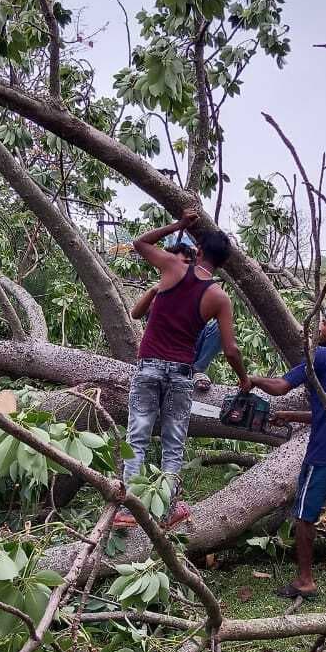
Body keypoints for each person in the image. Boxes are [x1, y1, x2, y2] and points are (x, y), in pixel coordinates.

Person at [115, 210, 250, 529]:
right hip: (180, 374)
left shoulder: (174, 266)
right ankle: (170, 507)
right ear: (223, 262)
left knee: (138, 437)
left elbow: (140, 242)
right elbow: (231, 348)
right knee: (174, 443)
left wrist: (179, 225)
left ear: (199, 251)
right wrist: (244, 379)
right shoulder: (219, 297)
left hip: (148, 368)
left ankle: (128, 511)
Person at [245, 302, 326, 599]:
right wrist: (289, 417)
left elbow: (281, 386)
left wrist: (253, 380)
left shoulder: (321, 357)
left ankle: (305, 581)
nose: (320, 328)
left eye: (323, 324)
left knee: (304, 516)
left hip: (323, 451)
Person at [129, 240, 224, 389]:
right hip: (162, 355)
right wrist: (154, 291)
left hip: (189, 350)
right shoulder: (161, 290)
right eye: (179, 263)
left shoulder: (201, 290)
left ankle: (197, 370)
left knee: (219, 328)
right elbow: (135, 314)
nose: (183, 268)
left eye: (187, 263)